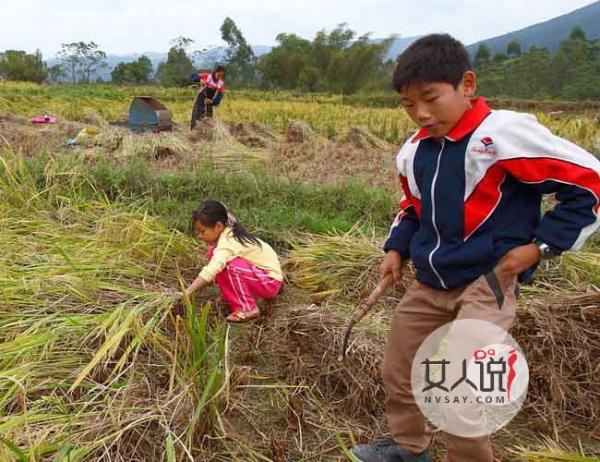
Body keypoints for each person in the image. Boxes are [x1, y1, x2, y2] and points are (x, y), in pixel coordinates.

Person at [350, 34, 600, 462]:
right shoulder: (414, 150)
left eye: (430, 98)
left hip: (487, 280)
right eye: (409, 104)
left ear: (467, 84)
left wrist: (539, 247)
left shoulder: (503, 136)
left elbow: (589, 183)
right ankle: (409, 447)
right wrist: (396, 249)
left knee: (463, 388)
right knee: (400, 367)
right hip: (429, 281)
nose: (421, 113)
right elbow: (412, 208)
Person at [184, 200, 283, 323]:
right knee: (213, 254)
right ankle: (230, 295)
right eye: (197, 232)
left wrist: (188, 291)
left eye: (203, 231)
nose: (199, 236)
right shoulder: (227, 233)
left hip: (270, 281)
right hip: (259, 276)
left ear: (218, 226)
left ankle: (247, 308)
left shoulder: (228, 242)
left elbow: (211, 270)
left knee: (229, 266)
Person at [190, 65, 226, 130]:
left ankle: (206, 134)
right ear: (215, 72)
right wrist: (200, 80)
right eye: (219, 75)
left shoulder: (221, 84)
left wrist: (212, 101)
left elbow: (219, 97)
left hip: (209, 102)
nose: (219, 77)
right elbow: (193, 77)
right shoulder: (207, 76)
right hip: (200, 100)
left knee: (208, 118)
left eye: (222, 76)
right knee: (197, 116)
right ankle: (194, 133)